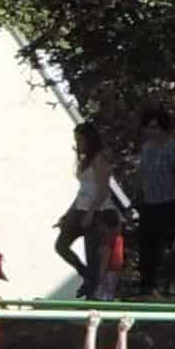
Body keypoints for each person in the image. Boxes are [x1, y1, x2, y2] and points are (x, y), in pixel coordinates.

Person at [133, 109, 175, 296]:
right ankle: (148, 286)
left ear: (164, 128)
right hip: (149, 203)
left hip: (171, 202)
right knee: (147, 246)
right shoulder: (146, 148)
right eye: (148, 127)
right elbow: (141, 174)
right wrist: (136, 196)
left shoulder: (173, 149)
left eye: (155, 127)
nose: (151, 131)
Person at [54, 126, 112, 295]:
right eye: (76, 140)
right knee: (61, 245)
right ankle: (86, 275)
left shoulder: (99, 160)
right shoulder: (84, 160)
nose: (78, 144)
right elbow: (83, 191)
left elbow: (103, 191)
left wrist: (90, 214)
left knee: (92, 254)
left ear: (89, 140)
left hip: (96, 211)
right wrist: (68, 214)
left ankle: (92, 292)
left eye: (80, 140)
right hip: (79, 208)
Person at [89, 206, 127, 302]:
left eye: (99, 225)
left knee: (102, 295)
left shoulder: (107, 240)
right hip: (116, 271)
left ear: (104, 225)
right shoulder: (118, 237)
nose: (98, 228)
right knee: (110, 293)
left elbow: (105, 258)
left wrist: (100, 276)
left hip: (108, 272)